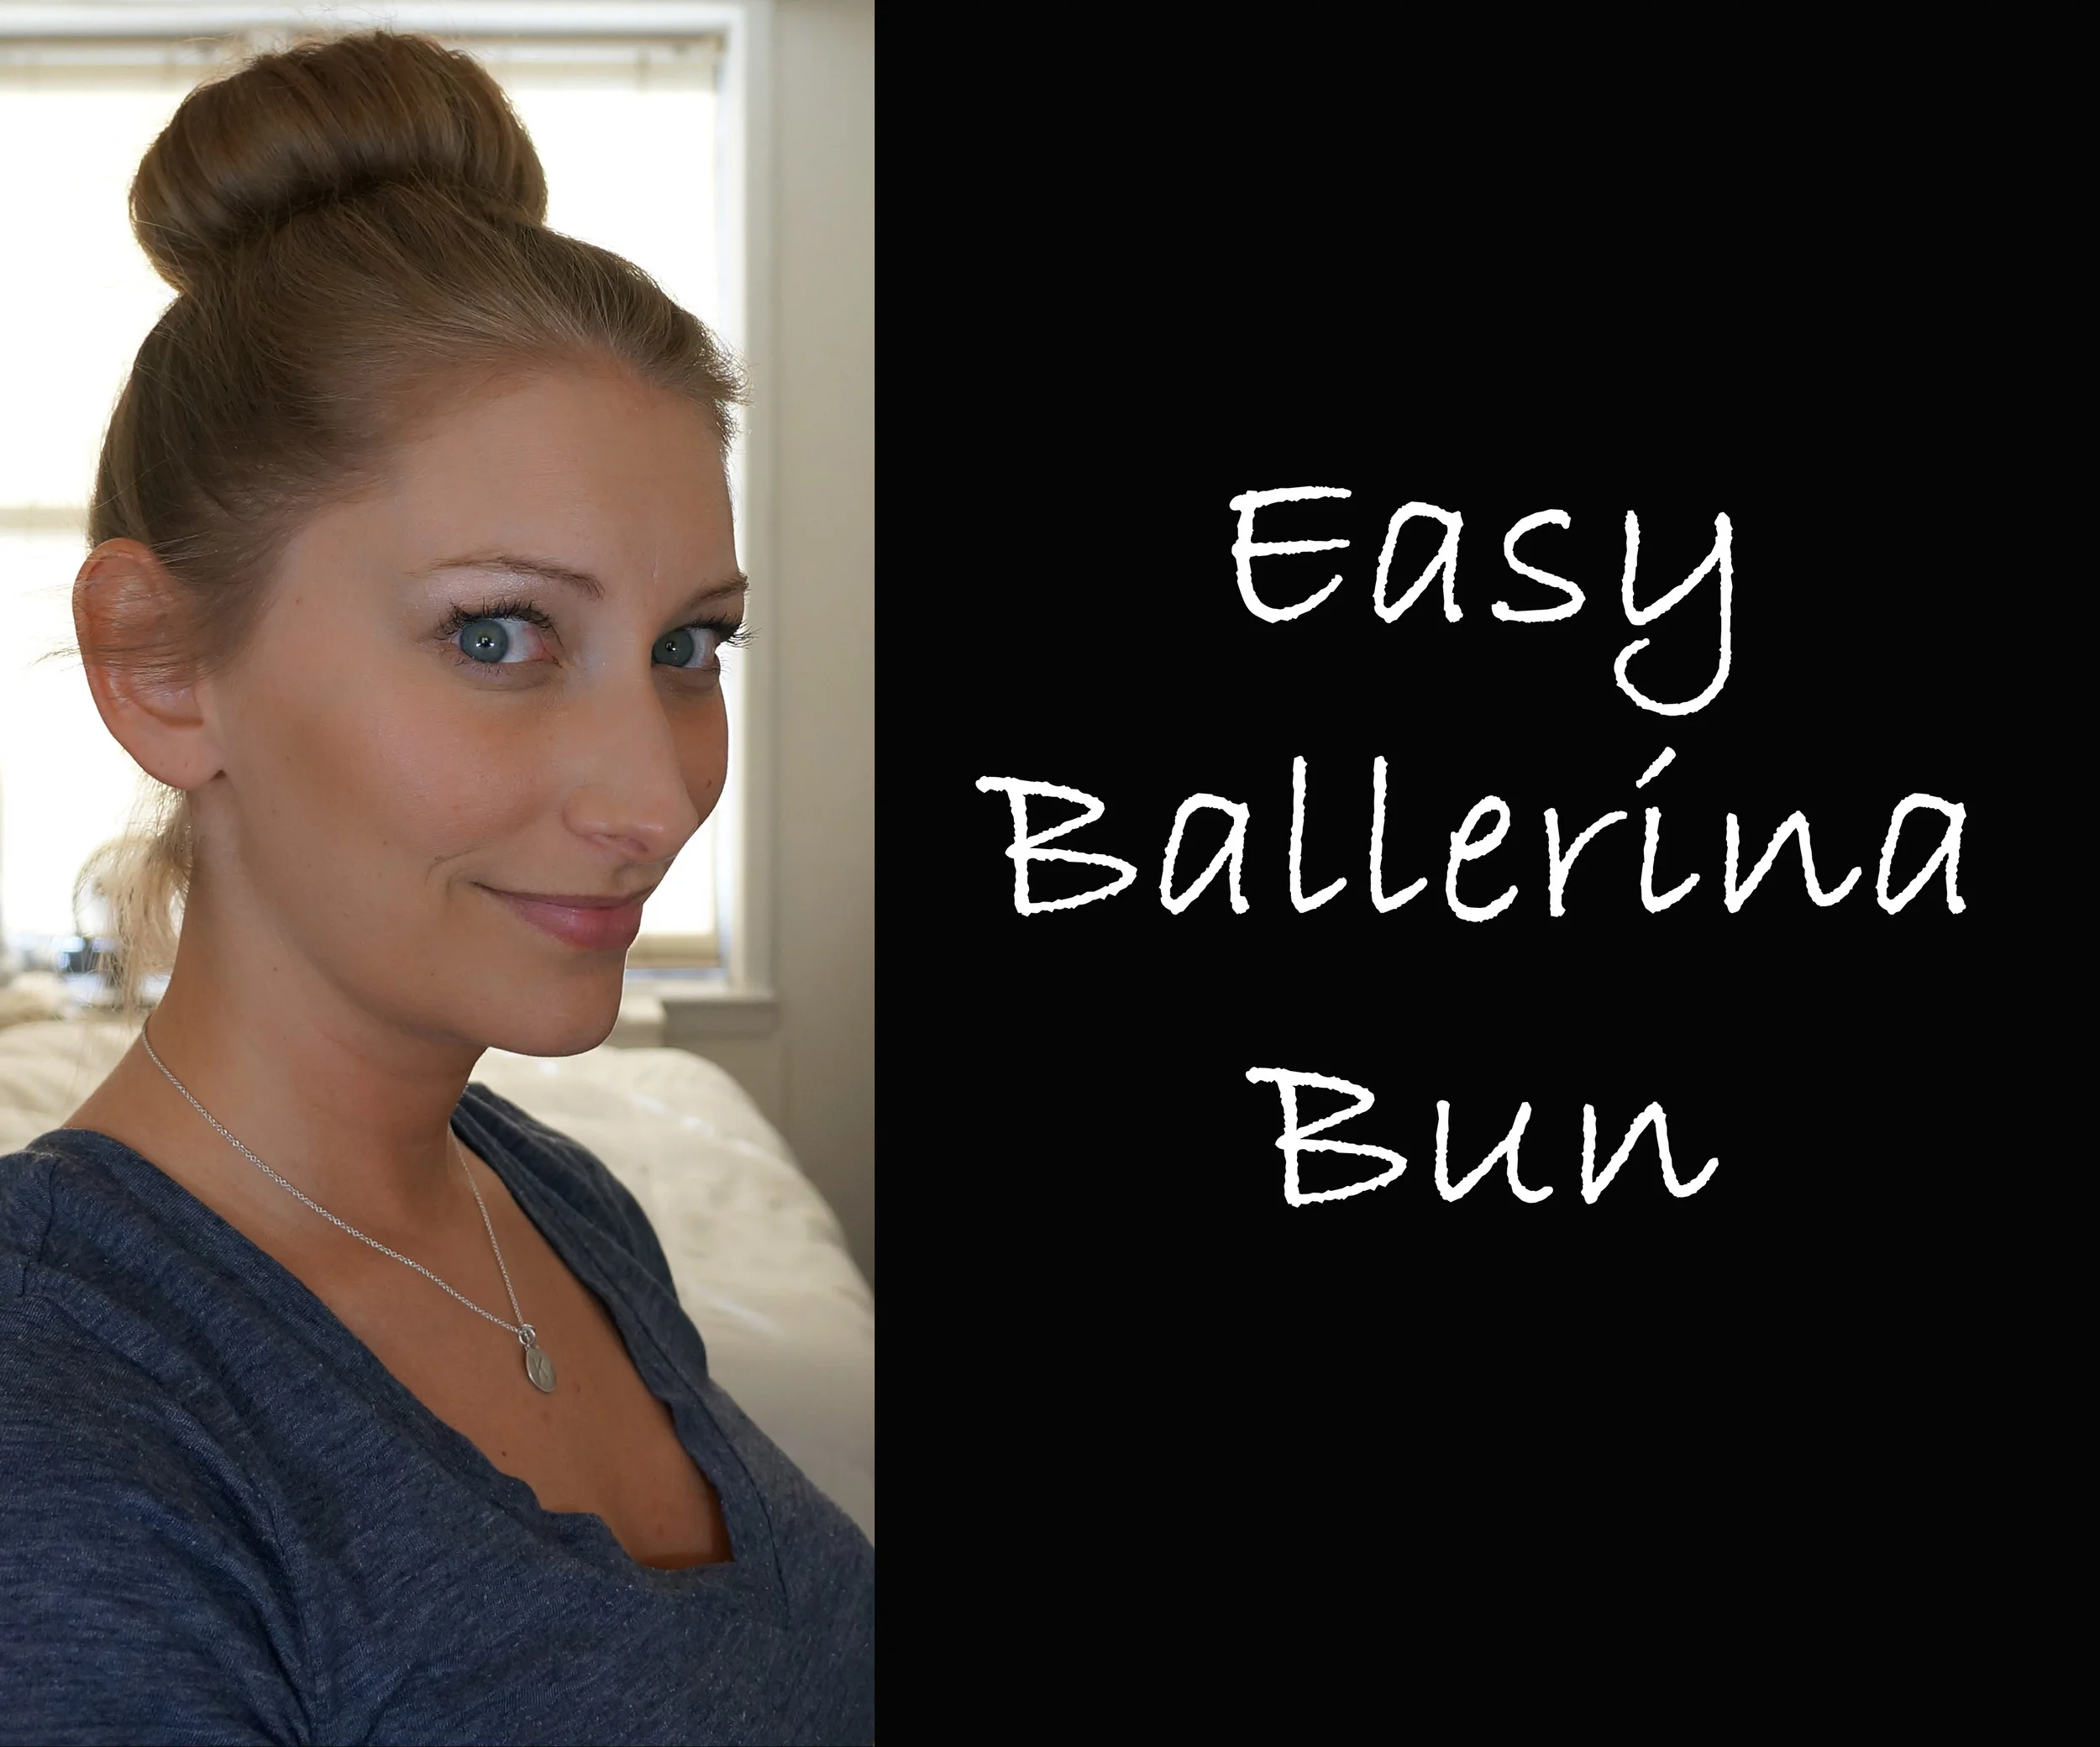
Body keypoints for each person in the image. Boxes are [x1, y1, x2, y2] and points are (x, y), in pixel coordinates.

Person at [0, 29, 873, 1744]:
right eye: (498, 634)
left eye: (689, 645)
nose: (657, 798)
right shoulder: (69, 1419)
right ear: (162, 663)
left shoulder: (550, 1199)